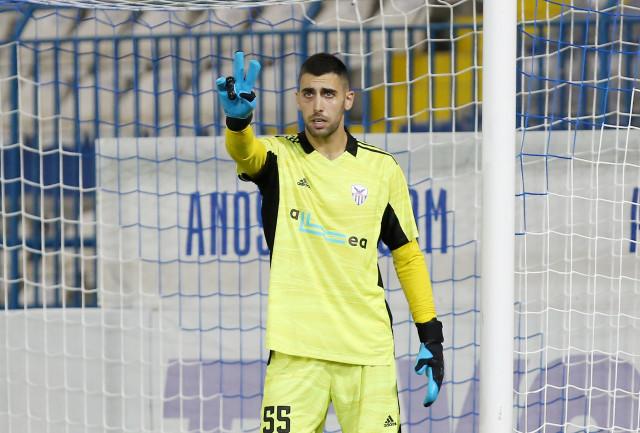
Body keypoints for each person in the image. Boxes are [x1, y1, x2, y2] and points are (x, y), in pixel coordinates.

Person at [216, 51, 444, 433]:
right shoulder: (278, 157)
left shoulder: (381, 168)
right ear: (297, 98)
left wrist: (431, 335)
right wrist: (238, 123)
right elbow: (246, 153)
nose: (318, 105)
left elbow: (407, 255)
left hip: (366, 351)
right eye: (309, 93)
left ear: (347, 99)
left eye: (328, 94)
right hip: (296, 352)